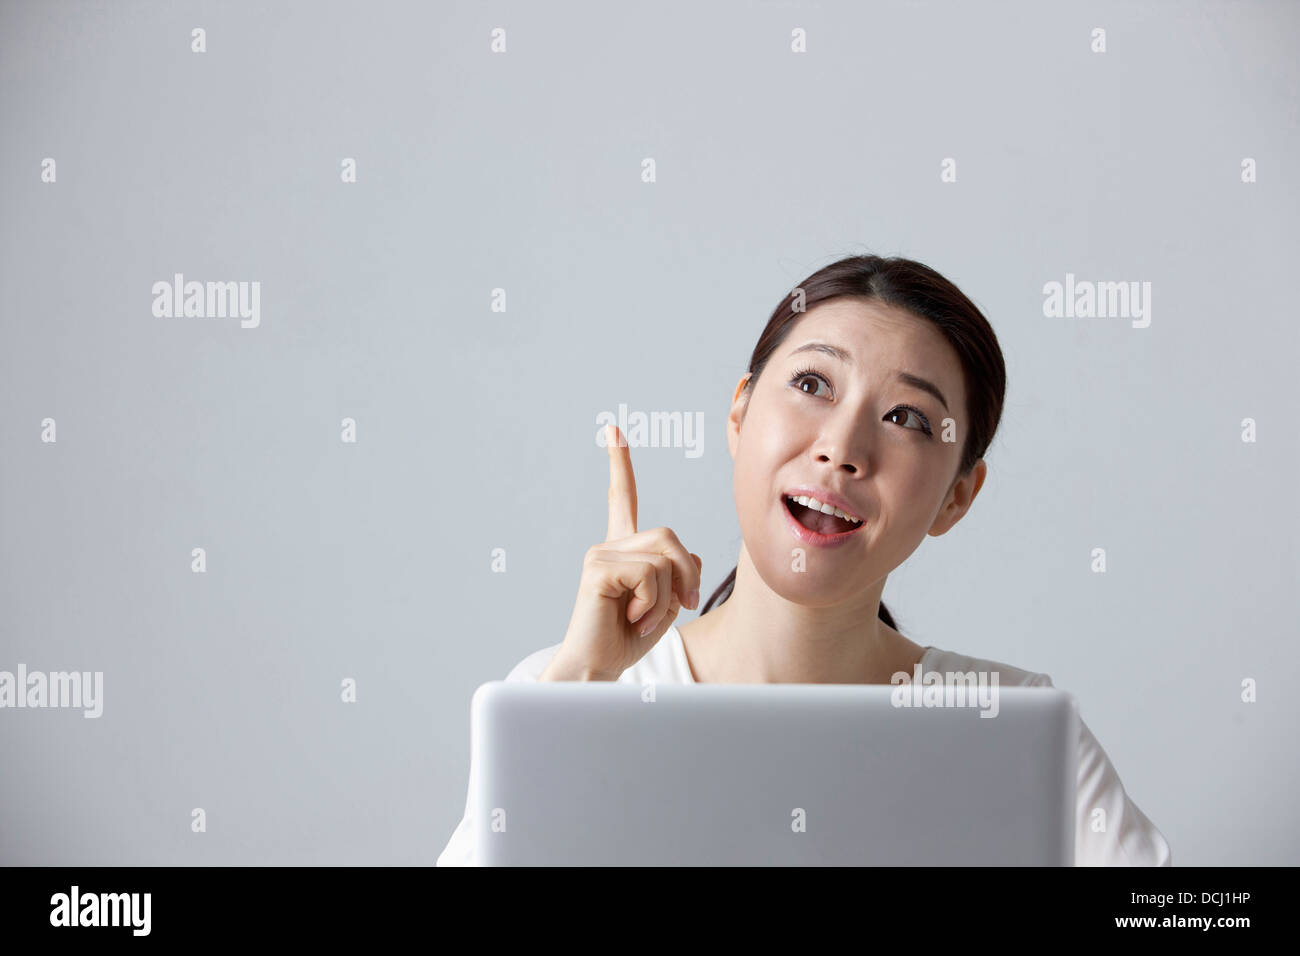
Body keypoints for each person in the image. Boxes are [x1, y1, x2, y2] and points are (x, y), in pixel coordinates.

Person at [438, 254, 1172, 867]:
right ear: (739, 413)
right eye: (813, 385)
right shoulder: (565, 693)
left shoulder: (1013, 731)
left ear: (957, 497)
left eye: (906, 418)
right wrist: (575, 695)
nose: (841, 448)